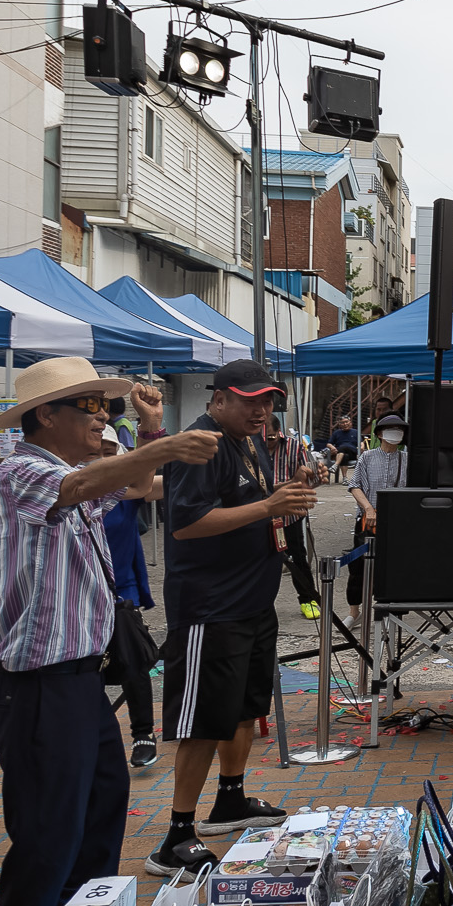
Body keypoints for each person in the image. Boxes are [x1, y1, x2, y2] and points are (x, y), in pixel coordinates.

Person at [0, 360, 219, 906]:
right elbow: (88, 482)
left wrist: (153, 425)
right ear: (46, 415)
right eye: (90, 406)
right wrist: (163, 443)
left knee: (103, 803)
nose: (103, 416)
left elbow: (132, 483)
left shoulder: (70, 476)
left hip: (76, 677)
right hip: (39, 682)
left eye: (106, 406)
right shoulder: (22, 472)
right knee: (46, 828)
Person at [150, 360, 315, 874]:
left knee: (244, 708)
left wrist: (289, 489)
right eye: (249, 400)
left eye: (268, 400)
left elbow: (253, 500)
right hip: (209, 607)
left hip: (250, 601)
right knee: (202, 721)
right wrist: (269, 507)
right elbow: (187, 524)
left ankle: (230, 798)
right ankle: (177, 833)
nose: (261, 409)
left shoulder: (250, 442)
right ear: (217, 399)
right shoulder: (202, 444)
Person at [97, 420, 162, 769]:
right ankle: (95, 730)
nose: (104, 462)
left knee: (134, 662)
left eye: (110, 454)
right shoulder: (73, 488)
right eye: (96, 455)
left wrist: (151, 429)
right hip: (80, 596)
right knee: (87, 668)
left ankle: (143, 734)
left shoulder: (127, 492)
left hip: (121, 591)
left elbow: (165, 483)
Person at [264, 402, 323, 621]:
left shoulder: (294, 447)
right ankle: (260, 604)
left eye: (271, 438)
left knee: (298, 557)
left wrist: (310, 479)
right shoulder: (250, 447)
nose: (267, 443)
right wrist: (290, 483)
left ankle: (308, 599)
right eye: (263, 438)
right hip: (259, 514)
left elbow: (312, 479)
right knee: (260, 560)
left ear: (278, 433)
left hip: (289, 515)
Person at [347, 409, 410, 612]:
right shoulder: (366, 457)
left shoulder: (408, 459)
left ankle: (387, 606)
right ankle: (354, 611)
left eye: (400, 429)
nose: (396, 432)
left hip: (396, 522)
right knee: (358, 567)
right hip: (367, 520)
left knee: (391, 566)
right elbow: (354, 485)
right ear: (380, 433)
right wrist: (368, 509)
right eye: (392, 429)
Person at [328, 416, 359, 484]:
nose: (345, 424)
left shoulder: (355, 432)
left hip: (352, 452)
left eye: (346, 422)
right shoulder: (336, 433)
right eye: (342, 423)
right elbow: (329, 443)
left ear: (350, 423)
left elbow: (361, 442)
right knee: (345, 456)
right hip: (341, 454)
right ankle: (345, 478)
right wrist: (332, 447)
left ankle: (335, 465)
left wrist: (362, 447)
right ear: (340, 424)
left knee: (343, 447)